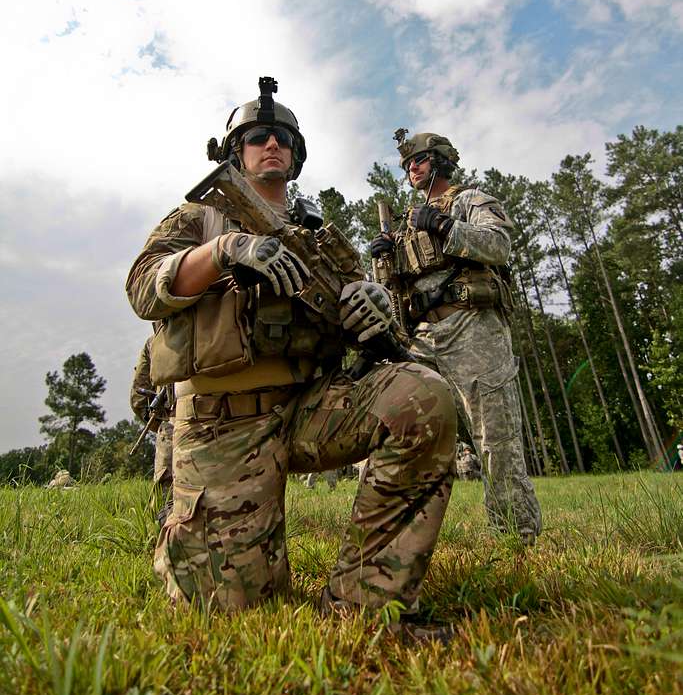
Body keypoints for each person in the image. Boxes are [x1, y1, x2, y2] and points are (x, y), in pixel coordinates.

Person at [126, 79, 458, 631]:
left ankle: (366, 604)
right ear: (238, 152)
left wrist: (373, 306)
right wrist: (225, 251)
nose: (271, 144)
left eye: (283, 137)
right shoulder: (197, 217)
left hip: (309, 409)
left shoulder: (321, 239)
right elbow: (141, 286)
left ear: (297, 155)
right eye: (257, 137)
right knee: (230, 612)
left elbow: (368, 323)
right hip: (221, 426)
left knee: (422, 397)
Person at [371, 130, 542, 543]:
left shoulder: (469, 200)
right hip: (420, 336)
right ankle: (404, 541)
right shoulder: (405, 225)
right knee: (403, 426)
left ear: (442, 162)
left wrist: (447, 225)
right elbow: (391, 293)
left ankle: (514, 539)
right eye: (408, 163)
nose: (412, 167)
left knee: (495, 438)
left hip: (472, 327)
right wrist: (380, 257)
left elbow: (499, 245)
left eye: (420, 159)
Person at [130, 337, 174, 490]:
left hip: (172, 429)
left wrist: (164, 423)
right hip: (237, 423)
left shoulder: (155, 341)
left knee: (166, 502)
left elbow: (138, 399)